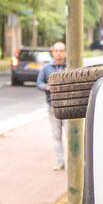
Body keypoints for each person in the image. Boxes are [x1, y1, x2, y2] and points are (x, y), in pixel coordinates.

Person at [36, 41, 67, 170]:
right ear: (52, 52)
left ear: (65, 52)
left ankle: (76, 161)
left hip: (69, 107)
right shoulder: (46, 68)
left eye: (61, 50)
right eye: (56, 51)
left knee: (72, 134)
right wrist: (47, 87)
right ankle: (60, 162)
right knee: (56, 135)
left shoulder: (70, 67)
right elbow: (39, 83)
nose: (59, 53)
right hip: (52, 106)